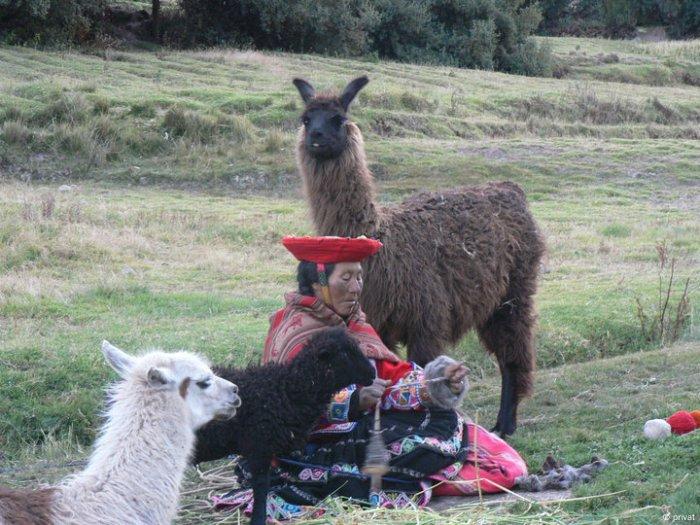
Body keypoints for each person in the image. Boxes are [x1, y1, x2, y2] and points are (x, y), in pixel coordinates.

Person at [215, 236, 527, 520]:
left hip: (359, 428)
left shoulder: (354, 326)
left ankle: (408, 471)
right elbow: (288, 404)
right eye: (346, 278)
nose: (356, 287)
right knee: (420, 443)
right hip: (304, 447)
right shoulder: (295, 333)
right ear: (319, 281)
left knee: (443, 419)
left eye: (360, 277)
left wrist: (437, 382)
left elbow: (391, 377)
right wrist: (352, 402)